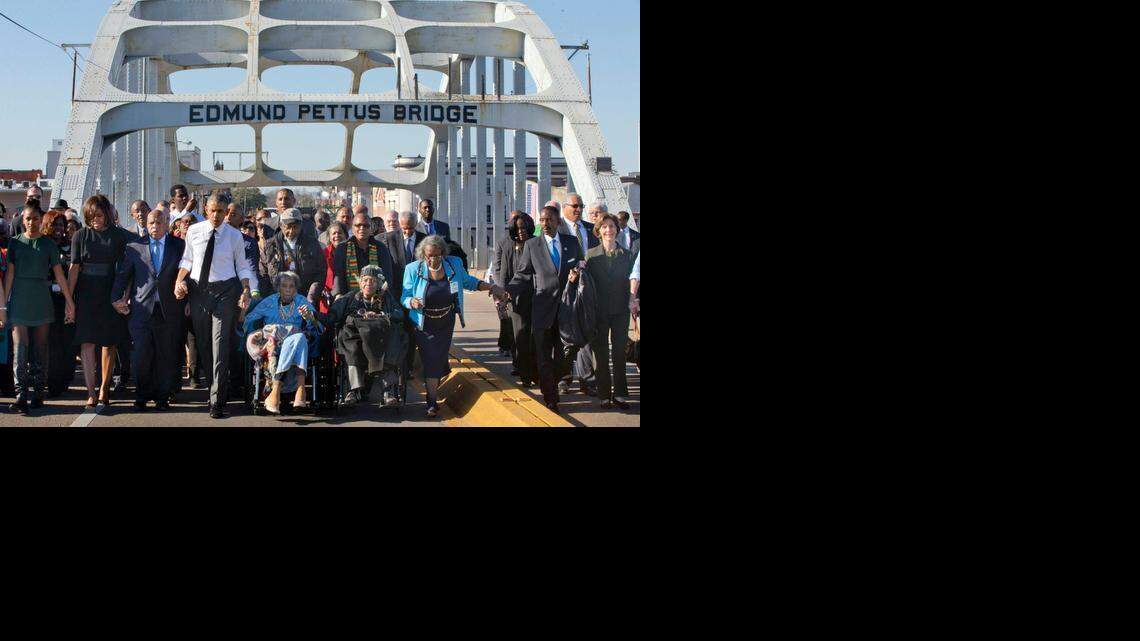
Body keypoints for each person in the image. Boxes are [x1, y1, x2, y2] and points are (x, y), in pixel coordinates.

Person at [403, 235, 507, 417]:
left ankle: (433, 386)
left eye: (436, 255)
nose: (432, 259)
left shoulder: (454, 264)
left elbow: (469, 282)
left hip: (445, 321)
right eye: (428, 255)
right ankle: (432, 402)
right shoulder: (413, 269)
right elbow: (404, 296)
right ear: (423, 254)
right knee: (431, 359)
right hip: (424, 323)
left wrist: (491, 287)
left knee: (438, 358)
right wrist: (411, 301)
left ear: (442, 253)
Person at [175, 192, 255, 419]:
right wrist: (179, 280)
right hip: (199, 292)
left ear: (226, 212)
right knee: (204, 343)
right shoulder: (194, 231)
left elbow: (242, 266)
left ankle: (217, 401)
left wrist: (246, 289)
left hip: (226, 291)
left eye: (222, 211)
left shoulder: (234, 236)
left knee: (220, 342)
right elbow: (187, 260)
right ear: (205, 210)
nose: (217, 215)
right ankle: (215, 388)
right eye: (213, 211)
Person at [505, 205, 585, 412]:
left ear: (558, 222)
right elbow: (522, 274)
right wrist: (508, 291)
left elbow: (580, 265)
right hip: (542, 310)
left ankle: (554, 381)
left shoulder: (571, 242)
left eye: (549, 220)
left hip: (567, 310)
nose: (545, 224)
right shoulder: (533, 245)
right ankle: (550, 397)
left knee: (564, 357)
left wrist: (577, 273)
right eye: (542, 220)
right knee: (542, 355)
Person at [3, 202, 76, 413]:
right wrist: (3, 305)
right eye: (27, 218)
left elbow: (60, 276)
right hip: (19, 298)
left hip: (41, 299)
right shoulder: (15, 243)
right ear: (22, 220)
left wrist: (70, 302)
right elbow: (9, 274)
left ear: (40, 220)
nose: (31, 222)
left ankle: (38, 393)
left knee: (40, 349)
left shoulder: (48, 245)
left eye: (35, 218)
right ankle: (21, 394)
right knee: (20, 348)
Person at [110, 209, 186, 411]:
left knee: (165, 355)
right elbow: (123, 276)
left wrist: (186, 294)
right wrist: (115, 298)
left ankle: (162, 397)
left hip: (169, 310)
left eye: (159, 222)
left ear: (167, 223)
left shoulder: (179, 245)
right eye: (151, 222)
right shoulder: (135, 246)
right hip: (141, 309)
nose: (154, 226)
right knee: (141, 355)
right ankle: (142, 395)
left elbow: (187, 273)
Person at [69, 195, 134, 409]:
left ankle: (104, 389)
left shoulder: (118, 236)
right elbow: (74, 269)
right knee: (87, 344)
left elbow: (127, 269)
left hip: (110, 293)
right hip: (86, 295)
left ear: (107, 214)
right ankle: (90, 392)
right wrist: (70, 301)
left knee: (108, 343)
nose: (95, 219)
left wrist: (124, 296)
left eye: (99, 214)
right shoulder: (80, 235)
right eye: (91, 215)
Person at [242, 271, 324, 414]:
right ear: (278, 287)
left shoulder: (302, 301)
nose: (287, 289)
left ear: (296, 288)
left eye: (291, 286)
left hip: (296, 343)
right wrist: (254, 333)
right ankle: (301, 390)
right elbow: (249, 319)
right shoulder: (269, 302)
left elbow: (318, 328)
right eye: (284, 286)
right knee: (298, 339)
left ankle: (276, 390)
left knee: (298, 338)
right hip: (274, 344)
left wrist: (309, 317)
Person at [329, 265, 407, 407]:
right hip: (356, 337)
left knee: (391, 343)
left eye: (372, 281)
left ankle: (387, 391)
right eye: (365, 280)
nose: (368, 284)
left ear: (378, 283)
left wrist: (383, 314)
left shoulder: (386, 298)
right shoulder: (351, 297)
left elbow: (400, 314)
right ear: (360, 282)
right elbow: (334, 313)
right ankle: (353, 390)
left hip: (381, 337)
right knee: (350, 344)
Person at [583, 213, 634, 410]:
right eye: (604, 227)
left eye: (612, 226)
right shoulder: (590, 255)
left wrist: (634, 300)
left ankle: (620, 394)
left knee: (619, 352)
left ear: (617, 229)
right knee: (601, 353)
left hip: (621, 311)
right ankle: (604, 395)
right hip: (598, 311)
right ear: (598, 231)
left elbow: (633, 281)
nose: (608, 230)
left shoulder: (628, 255)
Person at [560, 195, 599, 396]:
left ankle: (587, 381)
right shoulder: (558, 228)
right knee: (566, 337)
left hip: (588, 288)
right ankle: (565, 378)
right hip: (566, 289)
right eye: (575, 206)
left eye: (581, 206)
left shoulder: (590, 228)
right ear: (565, 207)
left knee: (587, 334)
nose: (578, 209)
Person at [495, 211, 537, 386]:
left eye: (524, 228)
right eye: (518, 228)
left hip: (535, 296)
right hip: (515, 297)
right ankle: (523, 371)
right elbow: (503, 272)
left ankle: (533, 370)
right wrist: (502, 295)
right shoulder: (507, 245)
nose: (521, 231)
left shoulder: (536, 243)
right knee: (519, 336)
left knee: (534, 336)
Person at [44, 210, 79, 397]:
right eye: (55, 224)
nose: (58, 228)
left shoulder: (70, 246)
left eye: (61, 225)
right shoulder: (43, 246)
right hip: (47, 299)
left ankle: (66, 378)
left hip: (67, 299)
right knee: (51, 343)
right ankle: (52, 381)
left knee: (67, 341)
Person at [259, 208, 324, 304]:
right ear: (281, 225)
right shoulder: (270, 245)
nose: (291, 231)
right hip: (276, 298)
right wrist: (268, 298)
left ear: (301, 226)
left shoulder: (312, 244)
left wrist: (311, 296)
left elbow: (321, 272)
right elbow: (263, 273)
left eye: (295, 227)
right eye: (288, 226)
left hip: (304, 297)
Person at [332, 213, 395, 300]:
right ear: (352, 228)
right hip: (349, 298)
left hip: (377, 298)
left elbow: (387, 276)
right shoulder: (342, 248)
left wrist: (379, 295)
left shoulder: (380, 247)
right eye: (358, 225)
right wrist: (339, 296)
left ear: (370, 228)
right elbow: (338, 276)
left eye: (366, 225)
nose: (362, 228)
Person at [381, 211, 426, 290]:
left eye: (410, 228)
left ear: (416, 223)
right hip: (396, 288)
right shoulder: (389, 238)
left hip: (419, 286)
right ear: (400, 224)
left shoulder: (424, 239)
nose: (407, 232)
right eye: (404, 228)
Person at [321, 221, 347, 314]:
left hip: (348, 294)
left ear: (345, 235)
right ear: (329, 237)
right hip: (327, 296)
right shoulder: (324, 253)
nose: (337, 235)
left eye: (340, 233)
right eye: (334, 233)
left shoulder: (351, 251)